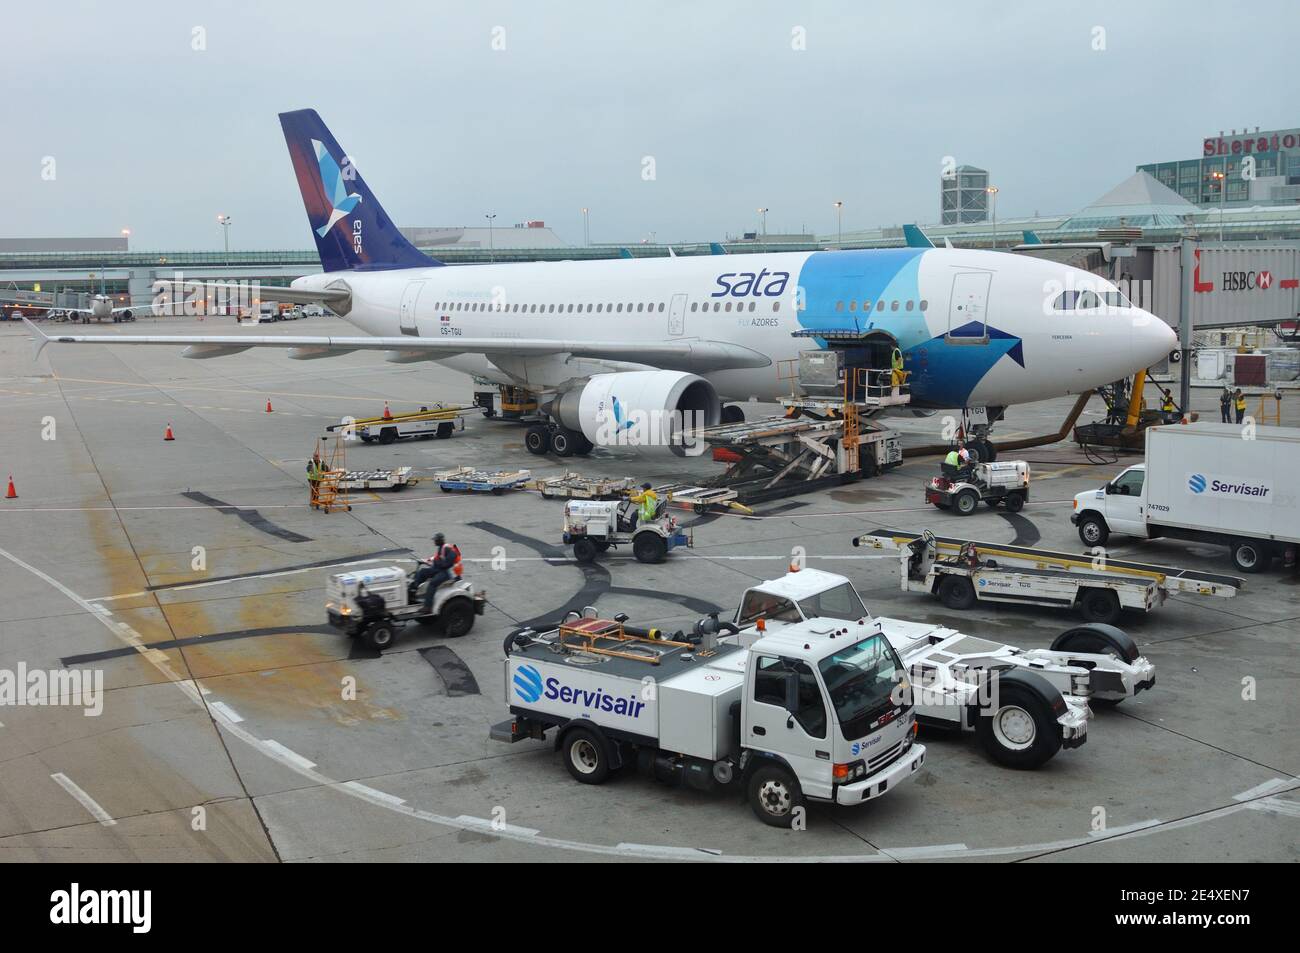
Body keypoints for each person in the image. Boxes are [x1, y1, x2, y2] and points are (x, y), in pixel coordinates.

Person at [414, 533, 460, 612]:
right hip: (438, 569)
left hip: (445, 573)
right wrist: (426, 561)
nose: (434, 541)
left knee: (432, 583)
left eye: (435, 540)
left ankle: (428, 607)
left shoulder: (446, 547)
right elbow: (436, 558)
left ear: (440, 540)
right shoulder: (441, 548)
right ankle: (415, 590)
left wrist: (442, 564)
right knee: (422, 572)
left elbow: (452, 557)